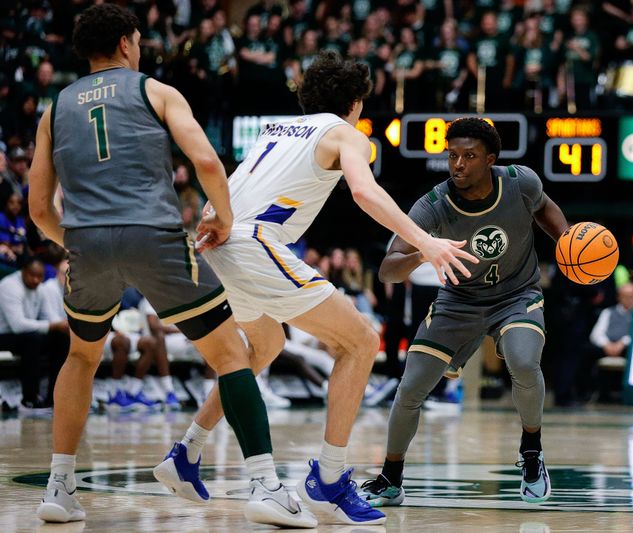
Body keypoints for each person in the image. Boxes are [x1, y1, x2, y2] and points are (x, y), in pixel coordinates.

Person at [155, 50, 476, 526]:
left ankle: (187, 452)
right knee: (363, 340)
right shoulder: (346, 133)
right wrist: (426, 242)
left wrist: (212, 216)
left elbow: (233, 185)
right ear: (355, 103)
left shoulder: (276, 130)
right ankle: (328, 479)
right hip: (252, 244)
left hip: (217, 241)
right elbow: (365, 193)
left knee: (264, 345)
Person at [27, 5, 311, 527]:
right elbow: (206, 161)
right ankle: (265, 485)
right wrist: (223, 219)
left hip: (85, 243)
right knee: (230, 357)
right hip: (154, 236)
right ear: (126, 43)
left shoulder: (54, 108)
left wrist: (75, 239)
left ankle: (59, 487)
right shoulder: (153, 90)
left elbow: (40, 209)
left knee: (81, 357)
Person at [359, 118, 569, 507]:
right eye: (452, 155)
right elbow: (388, 269)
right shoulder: (433, 204)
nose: (458, 164)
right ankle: (391, 478)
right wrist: (427, 249)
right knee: (410, 389)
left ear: (490, 159)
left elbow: (545, 209)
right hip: (459, 302)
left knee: (523, 362)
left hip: (516, 295)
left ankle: (531, 452)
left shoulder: (521, 182)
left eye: (469, 156)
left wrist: (567, 242)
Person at [0, 257, 69, 410]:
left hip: (28, 335)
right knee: (32, 340)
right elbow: (18, 325)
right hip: (5, 334)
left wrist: (64, 326)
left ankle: (54, 398)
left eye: (40, 277)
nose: (36, 280)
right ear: (23, 272)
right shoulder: (9, 287)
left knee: (62, 338)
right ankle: (30, 399)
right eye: (32, 276)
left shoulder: (40, 288)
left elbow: (48, 317)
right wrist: (53, 325)